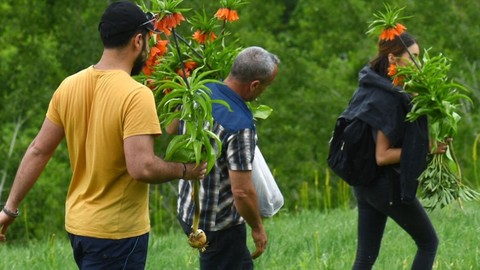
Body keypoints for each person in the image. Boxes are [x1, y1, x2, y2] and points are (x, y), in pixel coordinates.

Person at [0, 1, 206, 269]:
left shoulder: (69, 86)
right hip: (116, 233)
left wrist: (9, 209)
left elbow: (39, 149)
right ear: (137, 40)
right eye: (148, 40)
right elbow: (141, 167)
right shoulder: (136, 94)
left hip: (78, 226)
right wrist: (185, 170)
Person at [340, 32, 443, 270]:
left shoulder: (373, 84)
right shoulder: (387, 97)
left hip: (364, 184)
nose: (420, 64)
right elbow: (382, 155)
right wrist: (427, 149)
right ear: (393, 59)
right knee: (428, 243)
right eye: (414, 57)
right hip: (384, 185)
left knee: (365, 257)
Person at [171, 46, 280, 269]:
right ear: (254, 85)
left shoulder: (199, 89)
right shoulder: (240, 124)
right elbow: (241, 191)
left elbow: (172, 127)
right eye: (266, 87)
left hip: (189, 209)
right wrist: (258, 228)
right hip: (219, 224)